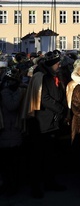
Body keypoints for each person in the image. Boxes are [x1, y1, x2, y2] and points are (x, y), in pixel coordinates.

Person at [23, 50, 68, 198]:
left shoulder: (53, 76)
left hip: (53, 121)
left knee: (50, 155)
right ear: (51, 64)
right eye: (57, 63)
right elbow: (43, 98)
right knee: (38, 157)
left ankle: (50, 182)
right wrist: (60, 108)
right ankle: (36, 186)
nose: (59, 65)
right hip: (41, 122)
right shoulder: (40, 76)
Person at [0, 67, 26, 196]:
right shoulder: (6, 92)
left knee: (13, 162)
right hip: (7, 129)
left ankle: (12, 184)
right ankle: (9, 184)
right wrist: (19, 92)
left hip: (13, 130)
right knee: (8, 162)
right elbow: (11, 106)